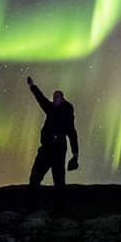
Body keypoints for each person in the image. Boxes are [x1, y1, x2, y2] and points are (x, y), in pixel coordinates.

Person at [26, 75, 79, 210]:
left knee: (59, 180)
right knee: (35, 177)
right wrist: (33, 86)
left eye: (57, 97)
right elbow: (41, 98)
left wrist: (75, 153)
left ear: (62, 99)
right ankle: (32, 205)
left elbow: (72, 134)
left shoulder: (66, 115)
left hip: (58, 151)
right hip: (46, 150)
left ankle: (59, 209)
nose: (54, 99)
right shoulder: (50, 108)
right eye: (54, 97)